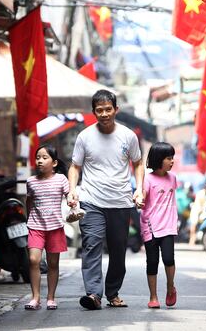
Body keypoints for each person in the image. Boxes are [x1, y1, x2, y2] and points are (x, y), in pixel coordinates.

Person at [67, 89, 144, 310]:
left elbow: (138, 163)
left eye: (108, 109)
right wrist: (73, 189)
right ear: (93, 112)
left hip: (120, 202)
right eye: (99, 110)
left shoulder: (128, 136)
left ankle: (112, 292)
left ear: (116, 110)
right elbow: (75, 166)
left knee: (118, 250)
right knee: (91, 245)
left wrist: (139, 189)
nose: (104, 114)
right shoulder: (84, 137)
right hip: (91, 200)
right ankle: (93, 294)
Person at [24, 145, 69, 310]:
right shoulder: (31, 182)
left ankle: (51, 297)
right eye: (38, 157)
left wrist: (72, 201)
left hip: (55, 227)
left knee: (52, 264)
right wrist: (29, 219)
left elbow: (69, 195)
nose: (40, 161)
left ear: (54, 162)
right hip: (36, 226)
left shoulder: (61, 179)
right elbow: (29, 201)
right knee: (33, 260)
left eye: (44, 157)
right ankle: (35, 298)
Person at [140, 142, 178, 309]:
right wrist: (139, 199)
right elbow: (143, 195)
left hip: (168, 226)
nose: (172, 161)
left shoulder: (173, 178)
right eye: (169, 158)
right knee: (152, 261)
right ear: (158, 159)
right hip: (150, 226)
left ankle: (170, 287)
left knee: (169, 259)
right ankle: (153, 296)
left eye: (172, 158)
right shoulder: (147, 179)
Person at [187, 180, 206, 245]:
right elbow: (200, 204)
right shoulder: (201, 193)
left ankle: (193, 239)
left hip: (201, 211)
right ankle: (192, 239)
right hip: (196, 210)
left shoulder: (204, 193)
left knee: (194, 226)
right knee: (193, 225)